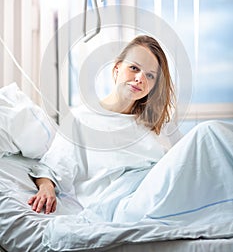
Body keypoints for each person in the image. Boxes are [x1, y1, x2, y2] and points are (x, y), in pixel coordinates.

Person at [28, 35, 182, 215]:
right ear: (117, 69)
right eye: (134, 68)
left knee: (209, 135)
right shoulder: (82, 119)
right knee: (208, 133)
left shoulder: (159, 126)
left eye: (150, 75)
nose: (140, 78)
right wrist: (46, 187)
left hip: (164, 194)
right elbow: (53, 166)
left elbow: (184, 165)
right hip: (120, 204)